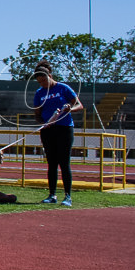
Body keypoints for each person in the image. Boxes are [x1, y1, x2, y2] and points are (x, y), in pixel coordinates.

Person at [32, 59, 84, 207]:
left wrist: (70, 109)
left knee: (64, 162)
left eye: (44, 80)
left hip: (64, 128)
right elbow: (37, 114)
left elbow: (79, 105)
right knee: (52, 163)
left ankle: (68, 196)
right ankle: (52, 194)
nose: (43, 84)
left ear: (50, 75)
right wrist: (43, 124)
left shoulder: (63, 88)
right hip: (48, 130)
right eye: (40, 82)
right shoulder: (39, 93)